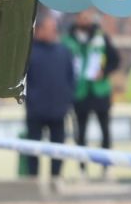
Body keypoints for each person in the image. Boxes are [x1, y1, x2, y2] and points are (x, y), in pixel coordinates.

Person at [63, 13, 121, 177]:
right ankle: (82, 169)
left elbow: (115, 60)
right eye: (82, 18)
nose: (85, 21)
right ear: (76, 19)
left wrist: (104, 72)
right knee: (80, 132)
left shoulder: (101, 38)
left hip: (100, 90)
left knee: (105, 131)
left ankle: (106, 167)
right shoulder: (67, 41)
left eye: (87, 18)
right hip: (80, 91)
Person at [22, 14, 74, 179]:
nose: (54, 31)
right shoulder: (28, 52)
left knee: (58, 150)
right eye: (50, 28)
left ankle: (55, 179)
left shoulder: (63, 52)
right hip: (36, 112)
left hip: (58, 112)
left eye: (54, 28)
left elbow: (71, 78)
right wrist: (30, 102)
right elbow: (22, 81)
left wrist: (66, 102)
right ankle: (33, 182)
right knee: (33, 150)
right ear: (39, 30)